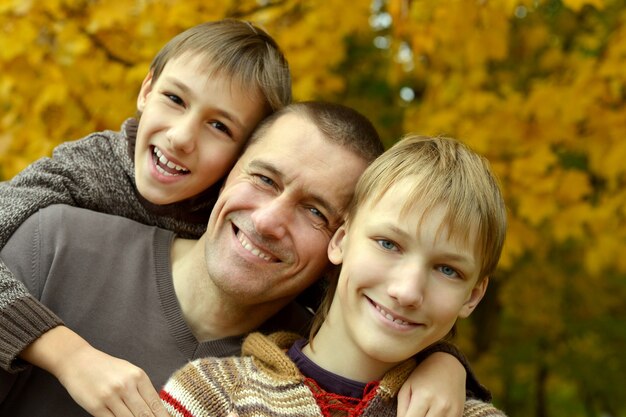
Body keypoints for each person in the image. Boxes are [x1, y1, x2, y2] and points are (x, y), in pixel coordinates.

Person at [0, 103, 483, 417]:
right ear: (226, 172)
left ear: (340, 241)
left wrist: (443, 361)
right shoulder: (57, 240)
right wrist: (67, 354)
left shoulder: (290, 375)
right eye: (265, 179)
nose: (271, 219)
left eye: (314, 211)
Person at [0, 18, 291, 416]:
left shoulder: (242, 228)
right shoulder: (88, 168)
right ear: (146, 89)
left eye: (219, 126)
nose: (181, 137)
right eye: (175, 99)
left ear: (245, 155)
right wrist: (70, 355)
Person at [159, 134, 508, 417]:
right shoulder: (211, 397)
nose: (407, 291)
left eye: (447, 269)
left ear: (473, 296)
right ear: (341, 240)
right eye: (388, 244)